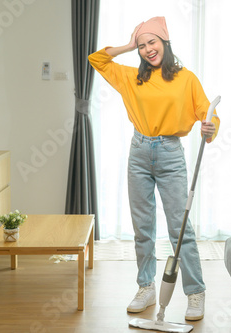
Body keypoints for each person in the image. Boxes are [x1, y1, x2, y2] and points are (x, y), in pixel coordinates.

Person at [88, 16, 220, 321]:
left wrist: (211, 127)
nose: (148, 49)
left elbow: (207, 112)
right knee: (142, 228)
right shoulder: (131, 76)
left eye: (153, 42)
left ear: (165, 43)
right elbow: (96, 59)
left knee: (180, 228)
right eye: (143, 45)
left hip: (171, 154)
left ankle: (195, 292)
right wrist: (127, 44)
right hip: (139, 152)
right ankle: (145, 287)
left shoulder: (186, 78)